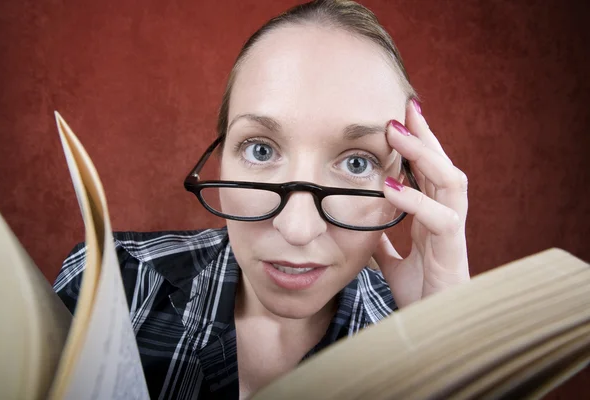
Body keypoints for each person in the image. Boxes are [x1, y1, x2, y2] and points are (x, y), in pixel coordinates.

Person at [54, 0, 470, 398]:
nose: (296, 228)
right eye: (261, 150)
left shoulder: (417, 348)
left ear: (401, 190)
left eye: (358, 163)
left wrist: (449, 357)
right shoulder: (108, 282)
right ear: (221, 161)